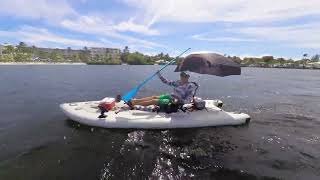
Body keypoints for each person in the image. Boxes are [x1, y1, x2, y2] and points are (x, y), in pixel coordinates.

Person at [126, 71, 197, 108]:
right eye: (181, 75)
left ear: (188, 77)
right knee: (154, 97)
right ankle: (134, 101)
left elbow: (188, 100)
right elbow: (166, 82)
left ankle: (133, 104)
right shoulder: (178, 82)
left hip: (173, 102)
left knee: (154, 101)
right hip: (170, 97)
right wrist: (159, 75)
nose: (182, 77)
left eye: (184, 76)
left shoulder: (190, 86)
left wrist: (179, 101)